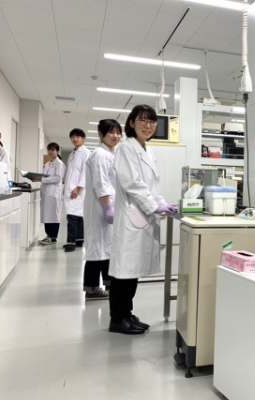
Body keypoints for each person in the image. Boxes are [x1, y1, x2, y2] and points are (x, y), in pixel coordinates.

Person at [109, 104, 178, 334]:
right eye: (142, 120)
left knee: (132, 271)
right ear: (131, 123)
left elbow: (152, 186)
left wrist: (163, 204)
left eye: (151, 121)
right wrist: (154, 206)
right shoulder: (125, 148)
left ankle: (127, 314)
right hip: (132, 215)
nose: (148, 125)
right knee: (124, 271)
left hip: (142, 215)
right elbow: (133, 183)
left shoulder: (148, 150)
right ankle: (117, 319)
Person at [82, 119, 122, 301]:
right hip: (100, 207)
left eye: (118, 132)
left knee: (107, 248)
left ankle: (109, 285)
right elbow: (101, 183)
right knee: (97, 250)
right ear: (100, 134)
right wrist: (107, 207)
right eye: (111, 132)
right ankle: (91, 289)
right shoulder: (99, 154)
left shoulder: (110, 154)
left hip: (109, 205)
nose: (116, 136)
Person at [63, 128, 90, 252]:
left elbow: (85, 172)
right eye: (73, 137)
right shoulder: (72, 154)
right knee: (78, 216)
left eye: (78, 136)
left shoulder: (86, 153)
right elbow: (70, 173)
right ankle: (79, 240)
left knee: (72, 217)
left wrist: (78, 188)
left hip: (78, 189)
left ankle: (71, 242)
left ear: (83, 139)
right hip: (71, 188)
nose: (75, 139)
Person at [36, 142, 66, 245]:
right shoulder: (48, 164)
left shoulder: (59, 164)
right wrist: (37, 178)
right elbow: (44, 176)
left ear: (57, 151)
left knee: (53, 215)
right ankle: (48, 235)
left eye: (53, 150)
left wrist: (42, 179)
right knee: (47, 215)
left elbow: (58, 178)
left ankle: (53, 237)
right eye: (49, 149)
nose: (50, 152)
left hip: (53, 193)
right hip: (46, 192)